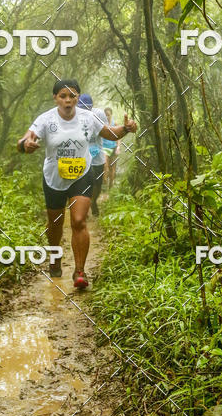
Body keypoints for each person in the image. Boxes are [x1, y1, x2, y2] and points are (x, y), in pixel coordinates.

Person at [17, 79, 137, 289]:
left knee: (79, 221)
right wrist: (25, 145)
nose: (67, 100)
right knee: (54, 224)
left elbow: (110, 133)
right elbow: (25, 139)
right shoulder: (45, 119)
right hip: (54, 177)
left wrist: (126, 129)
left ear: (77, 98)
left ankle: (80, 272)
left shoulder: (88, 118)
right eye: (62, 96)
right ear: (55, 98)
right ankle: (55, 258)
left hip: (82, 175)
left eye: (72, 96)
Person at [76, 93, 106, 216]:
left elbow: (105, 131)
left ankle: (94, 201)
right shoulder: (74, 115)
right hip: (82, 157)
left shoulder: (98, 114)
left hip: (97, 156)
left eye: (87, 107)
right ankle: (85, 206)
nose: (85, 110)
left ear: (92, 106)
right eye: (82, 108)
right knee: (84, 183)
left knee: (98, 184)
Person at [102, 107, 119, 188]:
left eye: (108, 115)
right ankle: (105, 182)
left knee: (112, 168)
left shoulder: (115, 124)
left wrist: (118, 146)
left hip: (114, 147)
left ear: (111, 115)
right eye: (105, 115)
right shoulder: (102, 125)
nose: (107, 117)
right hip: (105, 148)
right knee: (105, 165)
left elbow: (119, 137)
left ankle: (111, 186)